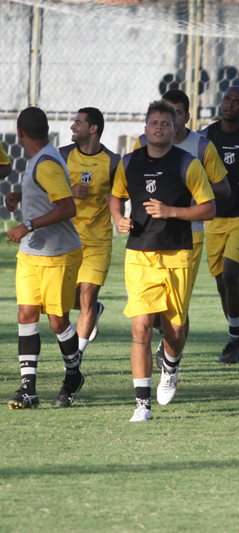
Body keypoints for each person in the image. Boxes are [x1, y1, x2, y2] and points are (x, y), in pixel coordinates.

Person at [110, 100, 216, 421]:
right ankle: (142, 405)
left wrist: (172, 212)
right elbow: (115, 196)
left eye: (165, 124)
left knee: (174, 330)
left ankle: (170, 367)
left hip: (178, 253)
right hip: (139, 253)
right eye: (153, 123)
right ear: (145, 128)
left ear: (175, 129)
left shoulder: (188, 163)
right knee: (141, 327)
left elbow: (209, 208)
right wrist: (118, 217)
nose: (158, 128)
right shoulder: (128, 162)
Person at [135, 89, 230, 366]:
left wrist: (186, 186)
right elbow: (132, 180)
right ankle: (170, 345)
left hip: (190, 232)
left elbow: (223, 189)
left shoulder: (201, 147)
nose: (167, 121)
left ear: (185, 117)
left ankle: (171, 359)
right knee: (149, 312)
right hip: (147, 234)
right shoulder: (142, 143)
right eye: (163, 115)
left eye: (175, 114)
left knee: (177, 307)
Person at [6, 107, 83, 409]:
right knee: (26, 315)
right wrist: (20, 198)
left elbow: (67, 207)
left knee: (57, 321)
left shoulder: (47, 162)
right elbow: (45, 193)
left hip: (57, 254)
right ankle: (28, 389)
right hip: (31, 254)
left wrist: (28, 225)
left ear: (20, 132)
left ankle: (73, 376)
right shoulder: (40, 159)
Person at [199, 87, 239, 363]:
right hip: (215, 217)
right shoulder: (206, 135)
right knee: (220, 283)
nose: (230, 105)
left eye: (238, 102)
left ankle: (234, 340)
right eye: (228, 99)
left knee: (230, 276)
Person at [59, 107, 119, 356]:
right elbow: (45, 189)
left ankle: (76, 358)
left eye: (78, 122)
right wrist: (68, 190)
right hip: (66, 239)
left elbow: (123, 194)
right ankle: (95, 309)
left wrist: (115, 198)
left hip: (98, 241)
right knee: (61, 302)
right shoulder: (62, 155)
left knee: (86, 296)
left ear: (93, 129)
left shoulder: (114, 162)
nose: (72, 126)